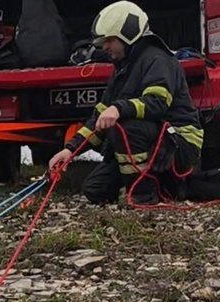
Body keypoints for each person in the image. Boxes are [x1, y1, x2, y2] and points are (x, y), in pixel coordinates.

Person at [49, 1, 204, 205]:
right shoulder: (122, 67)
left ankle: (142, 197)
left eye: (109, 40)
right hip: (153, 140)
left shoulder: (157, 59)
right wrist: (70, 150)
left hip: (179, 142)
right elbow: (99, 119)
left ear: (129, 35)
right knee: (95, 190)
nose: (104, 47)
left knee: (125, 126)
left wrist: (118, 108)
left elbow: (157, 103)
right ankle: (164, 186)